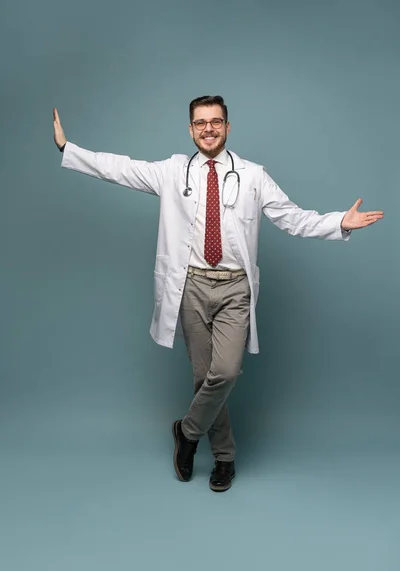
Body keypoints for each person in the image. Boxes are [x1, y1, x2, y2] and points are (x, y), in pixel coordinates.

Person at [53, 95, 384, 492]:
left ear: (228, 127)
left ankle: (187, 432)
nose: (208, 128)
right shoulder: (173, 171)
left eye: (216, 121)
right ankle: (224, 459)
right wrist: (68, 148)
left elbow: (291, 217)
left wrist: (338, 223)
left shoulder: (253, 175)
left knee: (224, 372)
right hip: (190, 284)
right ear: (190, 129)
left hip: (234, 289)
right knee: (203, 376)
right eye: (200, 122)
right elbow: (121, 168)